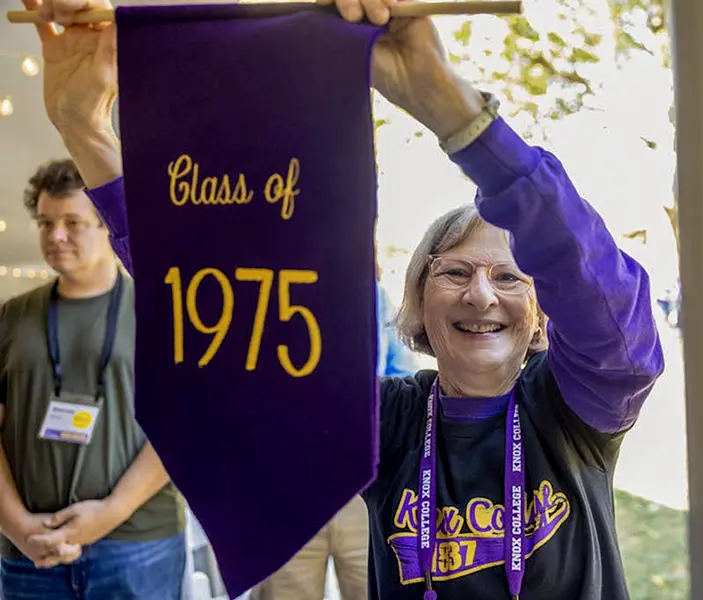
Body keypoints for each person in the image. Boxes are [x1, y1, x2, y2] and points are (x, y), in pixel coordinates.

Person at [25, 0, 665, 598]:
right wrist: (86, 129)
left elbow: (609, 306)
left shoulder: (573, 408)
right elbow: (224, 314)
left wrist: (449, 106)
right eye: (455, 272)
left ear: (541, 313)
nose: (480, 293)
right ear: (418, 297)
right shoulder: (389, 422)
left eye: (510, 278)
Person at [0, 159, 186, 599]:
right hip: (30, 553)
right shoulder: (11, 318)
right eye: (46, 222)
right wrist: (18, 527)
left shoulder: (162, 312)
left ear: (107, 226)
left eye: (72, 222)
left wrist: (110, 512)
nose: (55, 236)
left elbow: (185, 426)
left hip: (139, 546)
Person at [251, 282, 418, 600]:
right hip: (287, 494)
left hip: (362, 488)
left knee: (374, 589)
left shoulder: (372, 295)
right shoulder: (264, 289)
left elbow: (401, 379)